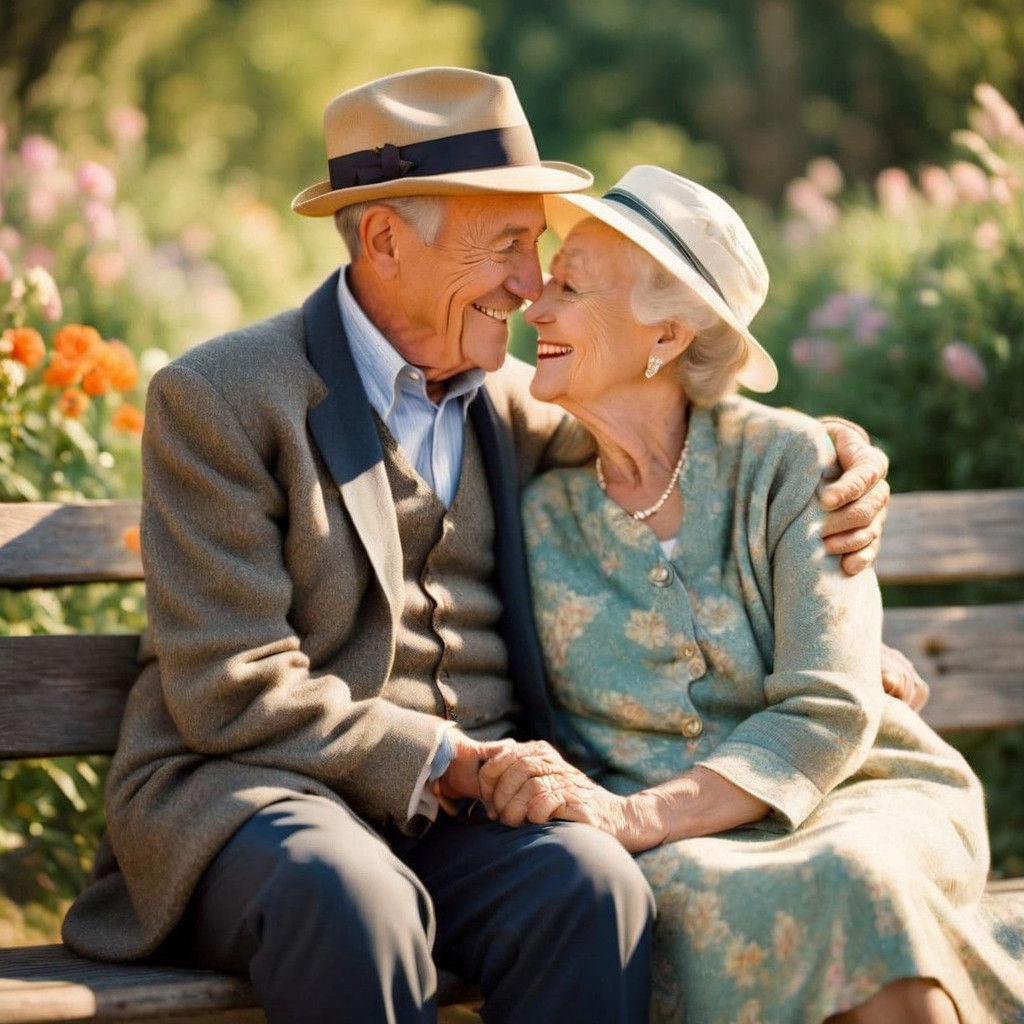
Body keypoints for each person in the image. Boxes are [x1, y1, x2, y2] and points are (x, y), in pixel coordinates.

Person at [62, 70, 899, 1024]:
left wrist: (833, 462)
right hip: (259, 797)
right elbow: (233, 686)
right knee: (354, 900)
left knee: (592, 888)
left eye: (535, 245)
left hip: (466, 813)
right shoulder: (221, 397)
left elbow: (676, 441)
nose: (531, 284)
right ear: (383, 238)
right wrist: (453, 759)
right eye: (505, 243)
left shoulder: (513, 406)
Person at [482, 165, 1024, 1024]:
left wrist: (636, 817)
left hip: (860, 788)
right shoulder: (536, 504)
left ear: (665, 336)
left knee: (860, 877)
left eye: (570, 286)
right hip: (683, 849)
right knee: (785, 903)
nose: (535, 308)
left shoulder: (788, 462)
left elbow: (829, 712)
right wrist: (625, 817)